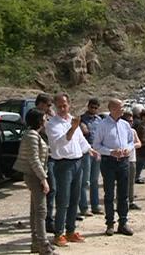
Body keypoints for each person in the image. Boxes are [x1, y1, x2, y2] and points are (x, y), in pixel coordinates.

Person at [46, 93, 100, 247]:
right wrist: (73, 128)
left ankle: (70, 231)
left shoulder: (72, 120)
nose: (63, 108)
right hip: (63, 164)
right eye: (60, 106)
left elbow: (80, 139)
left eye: (65, 105)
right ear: (56, 107)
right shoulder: (52, 124)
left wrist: (90, 150)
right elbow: (60, 143)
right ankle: (58, 233)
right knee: (63, 200)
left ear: (69, 104)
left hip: (78, 162)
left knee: (74, 199)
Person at [13, 108, 58, 255]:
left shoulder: (34, 134)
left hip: (35, 175)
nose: (46, 120)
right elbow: (34, 160)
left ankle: (36, 242)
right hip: (35, 176)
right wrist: (44, 179)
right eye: (44, 118)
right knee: (41, 211)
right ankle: (43, 245)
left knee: (35, 210)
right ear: (39, 120)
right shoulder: (32, 135)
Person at [93, 99, 135, 236]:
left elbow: (131, 141)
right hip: (108, 162)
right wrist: (111, 152)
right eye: (121, 107)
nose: (123, 109)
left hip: (123, 161)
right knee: (109, 194)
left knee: (123, 194)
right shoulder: (102, 125)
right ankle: (110, 223)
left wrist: (128, 149)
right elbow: (96, 146)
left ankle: (123, 222)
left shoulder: (125, 125)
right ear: (112, 108)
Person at [35, 93, 56, 234]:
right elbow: (42, 131)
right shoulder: (35, 116)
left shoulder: (48, 116)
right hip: (41, 158)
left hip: (51, 156)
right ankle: (45, 221)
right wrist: (48, 119)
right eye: (48, 105)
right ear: (41, 104)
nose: (49, 108)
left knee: (52, 189)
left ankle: (47, 219)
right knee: (47, 189)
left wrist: (53, 116)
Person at [78, 98, 103, 217]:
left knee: (94, 180)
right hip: (86, 152)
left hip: (97, 151)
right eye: (91, 107)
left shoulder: (99, 120)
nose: (93, 109)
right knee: (85, 181)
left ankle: (95, 205)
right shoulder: (81, 119)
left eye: (95, 108)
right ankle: (83, 207)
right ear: (88, 106)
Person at [121, 111, 142, 210]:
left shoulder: (133, 131)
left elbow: (139, 143)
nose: (130, 123)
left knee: (131, 182)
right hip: (121, 160)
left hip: (131, 160)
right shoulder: (119, 131)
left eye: (131, 121)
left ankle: (131, 201)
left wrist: (131, 146)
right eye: (128, 121)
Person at [132, 104, 145, 184]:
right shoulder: (138, 122)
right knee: (139, 162)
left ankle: (136, 177)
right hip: (138, 145)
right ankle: (136, 177)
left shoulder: (133, 121)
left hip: (136, 144)